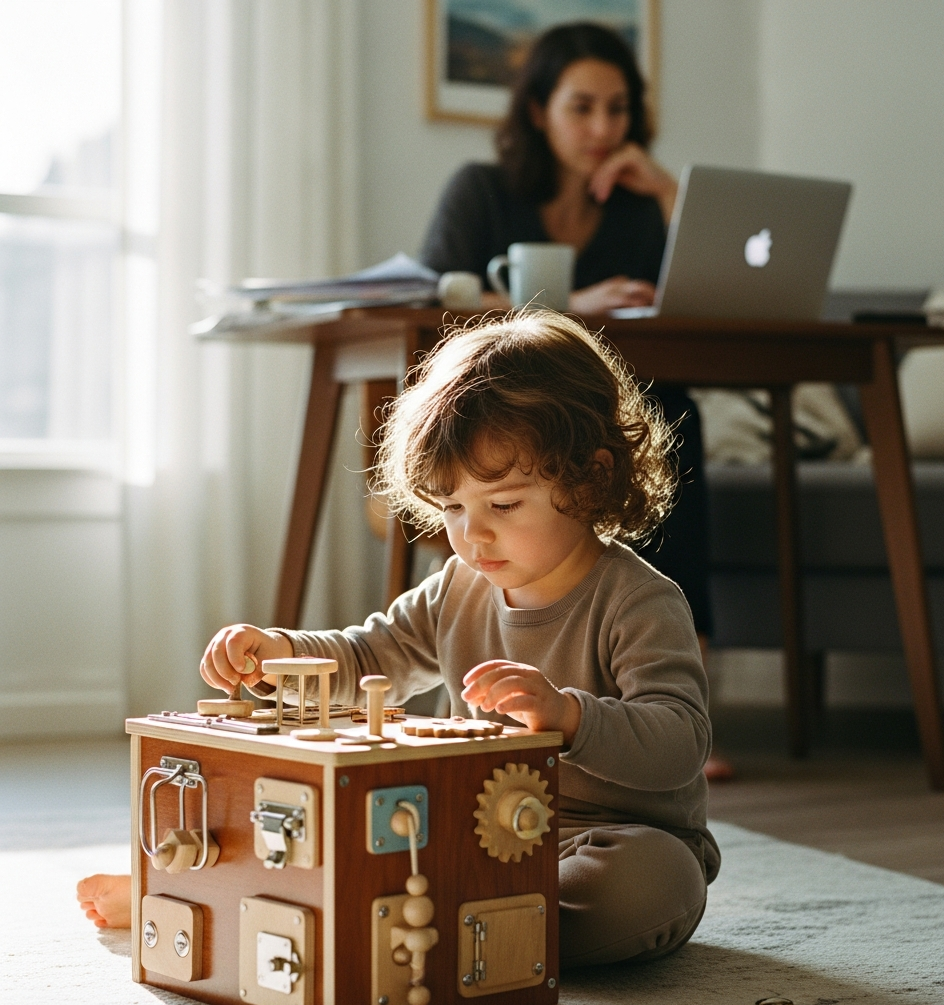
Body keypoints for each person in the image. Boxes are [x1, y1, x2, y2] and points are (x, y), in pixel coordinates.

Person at [78, 310, 719, 969]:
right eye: (452, 507)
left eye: (502, 506)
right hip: (476, 837)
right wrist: (282, 652)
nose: (472, 534)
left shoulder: (640, 600)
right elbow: (367, 655)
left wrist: (569, 716)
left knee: (644, 886)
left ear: (591, 478)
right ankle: (200, 890)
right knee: (346, 824)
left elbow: (679, 742)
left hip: (613, 840)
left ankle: (392, 923)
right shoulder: (456, 587)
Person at [421, 21, 732, 780]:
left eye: (618, 109)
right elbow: (435, 294)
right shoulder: (482, 191)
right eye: (582, 107)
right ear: (538, 110)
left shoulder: (634, 207)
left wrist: (664, 192)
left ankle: (667, 700)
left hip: (609, 416)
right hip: (507, 414)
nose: (602, 128)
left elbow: (704, 292)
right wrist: (567, 302)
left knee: (675, 421)